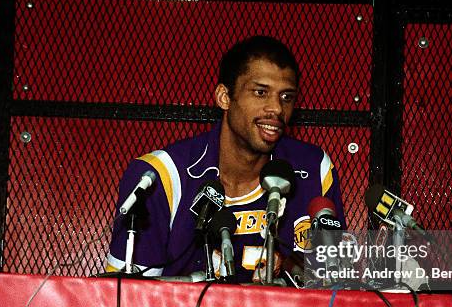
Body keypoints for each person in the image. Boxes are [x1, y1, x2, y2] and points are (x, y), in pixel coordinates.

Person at [106, 35, 346, 283]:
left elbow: (336, 289)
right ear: (224, 97)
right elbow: (127, 300)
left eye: (286, 97)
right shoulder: (161, 176)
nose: (276, 108)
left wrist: (292, 269)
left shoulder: (313, 168)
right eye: (260, 92)